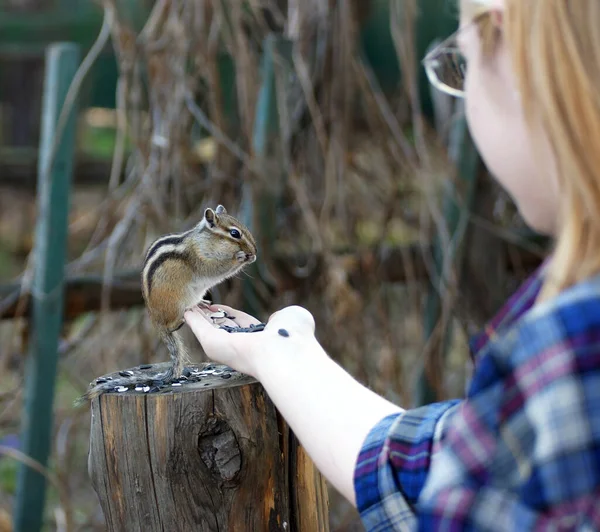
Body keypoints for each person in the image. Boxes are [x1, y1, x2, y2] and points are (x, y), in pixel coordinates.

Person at [184, 0, 600, 529]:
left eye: (462, 65)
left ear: (512, 48)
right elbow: (453, 468)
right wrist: (279, 353)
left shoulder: (568, 346)